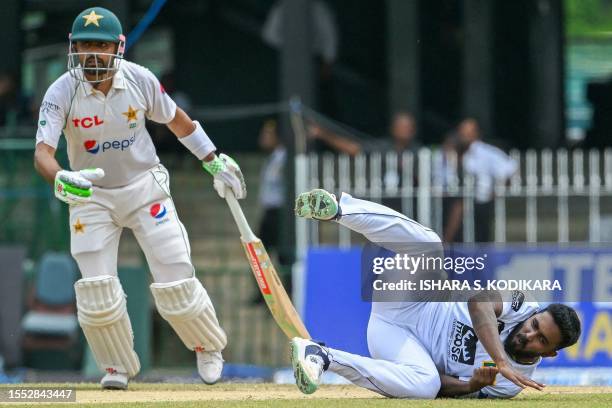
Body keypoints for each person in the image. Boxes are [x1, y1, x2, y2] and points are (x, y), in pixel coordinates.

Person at [33, 7, 246, 390]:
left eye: (101, 45)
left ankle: (207, 346)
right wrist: (62, 177)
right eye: (84, 46)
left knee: (174, 272)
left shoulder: (140, 80)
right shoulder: (61, 90)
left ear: (119, 47)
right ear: (74, 49)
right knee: (96, 288)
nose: (92, 54)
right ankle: (116, 366)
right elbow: (43, 154)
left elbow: (178, 121)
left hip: (144, 187)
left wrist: (213, 161)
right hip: (90, 193)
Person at [290, 188, 581, 399]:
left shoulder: (511, 384)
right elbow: (478, 303)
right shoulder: (523, 304)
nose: (529, 334)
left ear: (550, 352)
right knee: (430, 244)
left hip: (396, 340)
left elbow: (443, 388)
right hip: (414, 297)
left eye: (541, 340)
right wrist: (500, 360)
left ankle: (321, 356)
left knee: (425, 387)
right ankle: (340, 210)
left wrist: (471, 387)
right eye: (535, 326)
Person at [449, 118, 517, 242]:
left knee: (479, 239)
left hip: (480, 203)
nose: (465, 135)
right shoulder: (452, 152)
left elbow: (510, 169)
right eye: (462, 132)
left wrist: (497, 191)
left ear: (477, 134)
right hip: (456, 200)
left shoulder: (486, 152)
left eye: (469, 132)